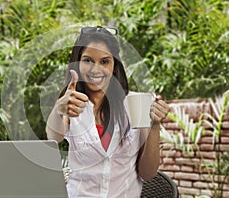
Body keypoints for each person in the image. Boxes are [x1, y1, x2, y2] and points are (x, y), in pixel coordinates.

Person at [46, 26, 170, 197]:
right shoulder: (72, 102)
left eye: (104, 61)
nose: (96, 69)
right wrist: (58, 110)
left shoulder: (135, 103)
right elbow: (54, 137)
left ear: (114, 65)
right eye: (88, 60)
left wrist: (155, 126)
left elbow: (147, 173)